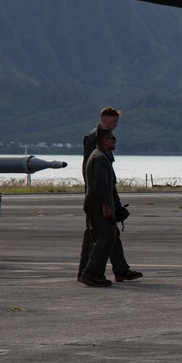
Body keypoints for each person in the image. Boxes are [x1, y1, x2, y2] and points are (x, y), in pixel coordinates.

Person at [78, 106, 142, 282]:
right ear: (105, 120)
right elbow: (90, 170)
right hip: (98, 195)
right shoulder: (94, 139)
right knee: (95, 234)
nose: (116, 126)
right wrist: (102, 200)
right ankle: (86, 271)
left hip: (105, 193)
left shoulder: (104, 141)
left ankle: (120, 269)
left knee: (110, 233)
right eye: (114, 122)